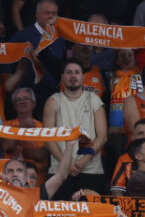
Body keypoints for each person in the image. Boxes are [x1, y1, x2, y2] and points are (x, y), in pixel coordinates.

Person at [44, 59, 109, 199]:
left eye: (77, 72)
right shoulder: (53, 101)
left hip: (91, 170)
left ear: (83, 77)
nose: (73, 76)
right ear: (62, 77)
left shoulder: (94, 99)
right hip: (59, 171)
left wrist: (84, 160)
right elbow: (48, 138)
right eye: (68, 73)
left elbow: (102, 136)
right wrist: (66, 164)